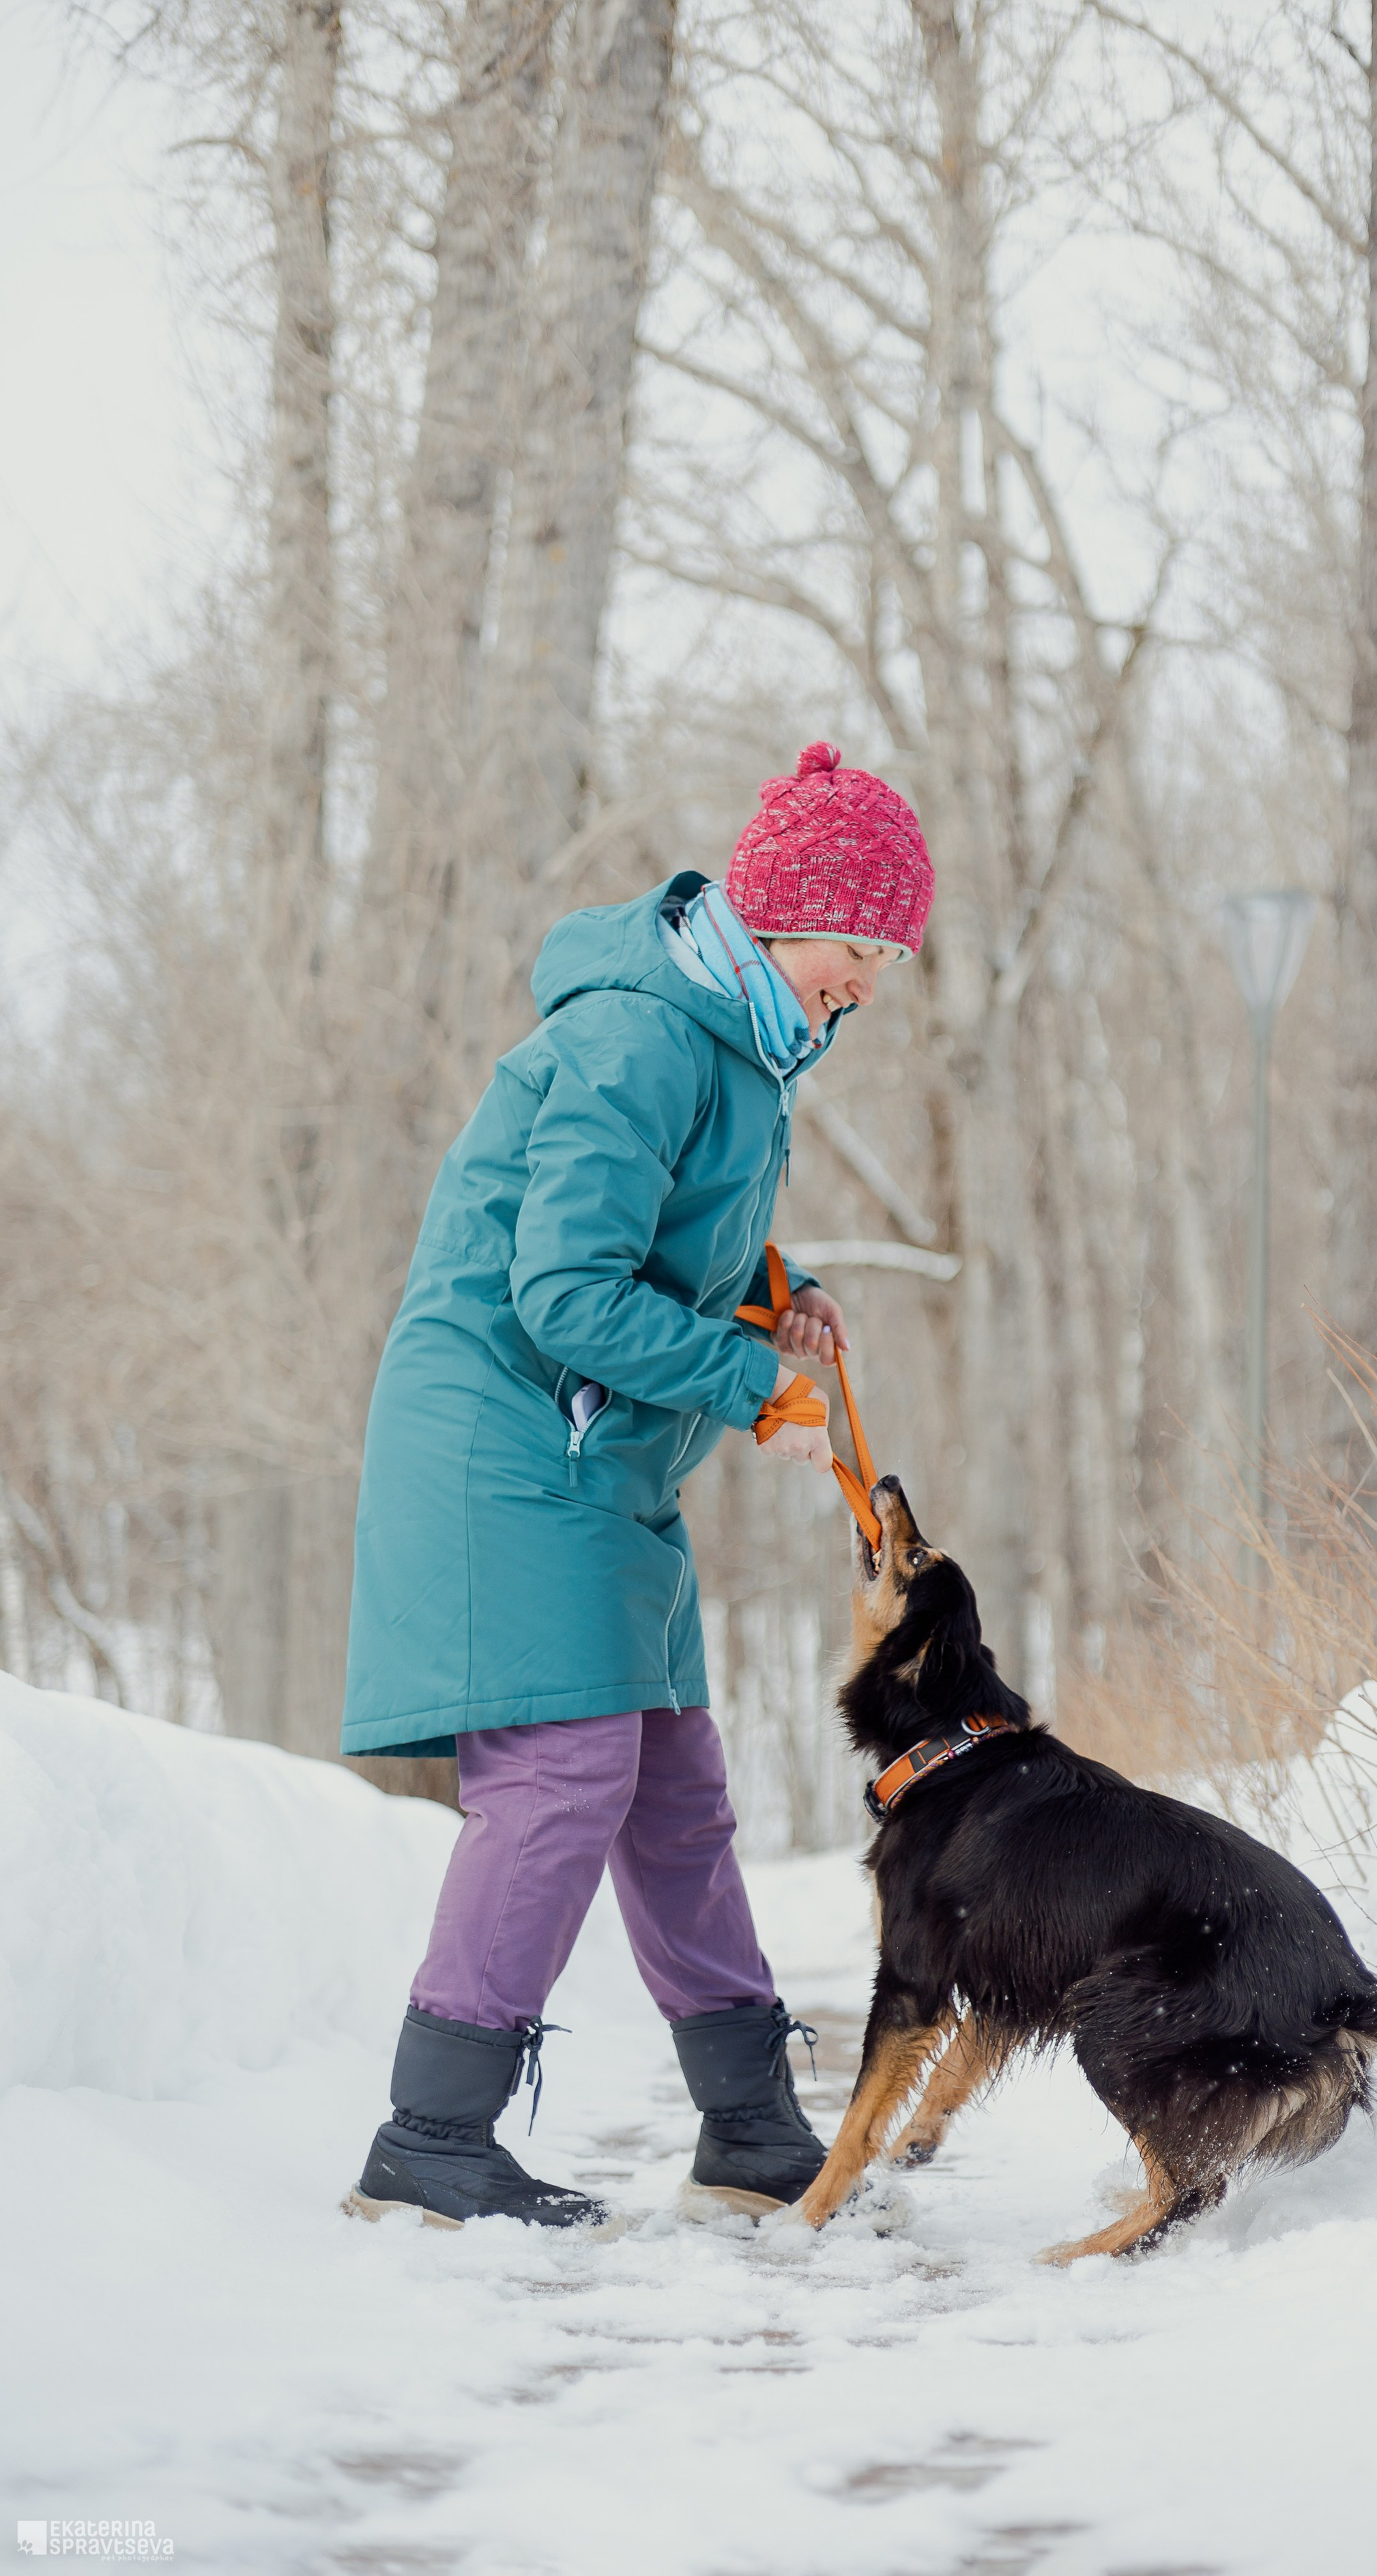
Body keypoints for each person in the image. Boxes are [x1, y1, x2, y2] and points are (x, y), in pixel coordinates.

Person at [339, 742, 933, 2231]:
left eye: (884, 957)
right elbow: (559, 1290)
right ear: (789, 917)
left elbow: (669, 1237)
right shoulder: (642, 1039)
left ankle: (747, 2129)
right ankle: (431, 2136)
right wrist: (752, 1391)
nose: (868, 979)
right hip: (509, 1442)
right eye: (859, 947)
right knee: (562, 1774)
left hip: (599, 1453)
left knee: (672, 1785)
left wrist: (771, 1296)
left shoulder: (739, 1040)